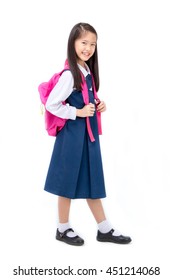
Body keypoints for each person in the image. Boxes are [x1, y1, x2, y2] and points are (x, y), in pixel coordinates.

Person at [44, 22, 131, 246]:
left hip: (87, 137)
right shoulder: (69, 74)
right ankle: (62, 228)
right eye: (83, 42)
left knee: (93, 179)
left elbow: (85, 98)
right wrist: (78, 112)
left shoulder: (86, 71)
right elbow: (52, 104)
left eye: (92, 44)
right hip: (72, 138)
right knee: (66, 181)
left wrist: (98, 104)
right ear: (72, 43)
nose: (88, 48)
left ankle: (104, 228)